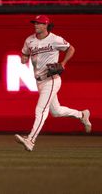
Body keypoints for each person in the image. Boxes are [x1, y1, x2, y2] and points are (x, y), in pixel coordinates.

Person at [15, 15, 92, 152]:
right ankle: (82, 115)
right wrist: (24, 57)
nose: (35, 25)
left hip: (51, 79)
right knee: (56, 111)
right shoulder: (30, 40)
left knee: (41, 110)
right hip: (39, 81)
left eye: (38, 23)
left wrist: (63, 63)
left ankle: (31, 140)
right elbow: (25, 54)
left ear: (45, 25)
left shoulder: (55, 39)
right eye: (35, 23)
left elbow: (71, 49)